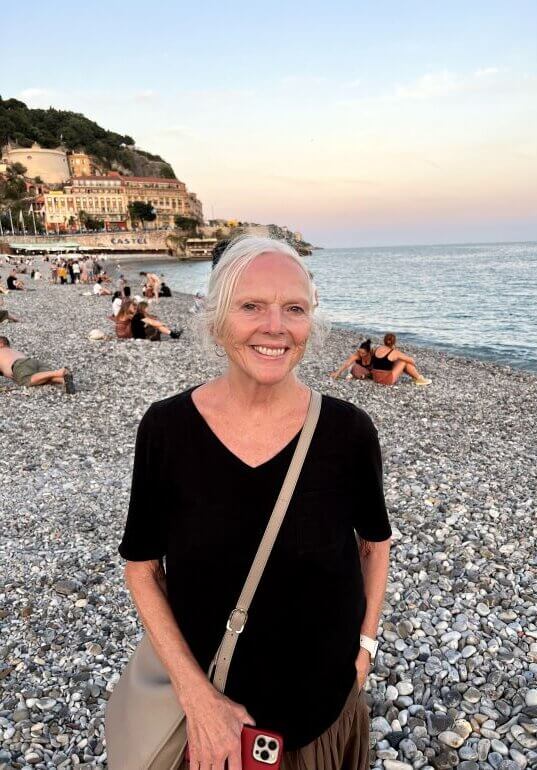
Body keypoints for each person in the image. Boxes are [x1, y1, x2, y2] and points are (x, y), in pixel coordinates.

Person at [117, 236, 391, 770]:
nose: (276, 327)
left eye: (294, 309)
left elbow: (375, 545)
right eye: (251, 306)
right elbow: (142, 566)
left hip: (322, 718)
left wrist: (365, 651)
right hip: (210, 717)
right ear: (218, 318)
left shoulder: (348, 432)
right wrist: (196, 698)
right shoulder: (167, 429)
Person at [0, 337, 75, 393]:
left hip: (19, 364)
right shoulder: (14, 351)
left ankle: (59, 372)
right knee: (41, 378)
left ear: (1, 344)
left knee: (26, 380)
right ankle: (61, 380)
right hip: (33, 362)